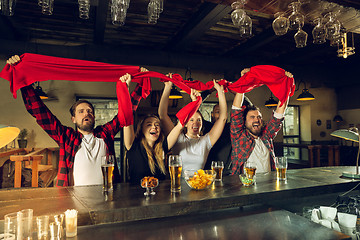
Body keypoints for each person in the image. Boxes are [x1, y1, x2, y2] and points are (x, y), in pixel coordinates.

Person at [6, 55, 147, 187]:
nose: (86, 113)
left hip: (108, 198)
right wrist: (21, 77)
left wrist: (140, 85)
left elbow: (127, 113)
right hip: (74, 202)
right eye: (81, 111)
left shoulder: (105, 133)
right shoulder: (66, 136)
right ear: (73, 118)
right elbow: (40, 113)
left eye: (90, 111)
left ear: (94, 117)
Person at [121, 73, 186, 184]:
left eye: (157, 125)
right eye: (149, 124)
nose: (154, 127)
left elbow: (180, 124)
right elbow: (127, 115)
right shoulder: (133, 145)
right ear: (141, 129)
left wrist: (168, 86)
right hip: (135, 199)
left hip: (159, 198)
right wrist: (125, 88)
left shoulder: (163, 146)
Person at [158, 74, 227, 171]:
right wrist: (167, 86)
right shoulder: (178, 137)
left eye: (199, 120)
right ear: (185, 123)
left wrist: (220, 92)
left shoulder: (206, 141)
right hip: (178, 185)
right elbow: (162, 115)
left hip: (200, 184)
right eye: (191, 120)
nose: (196, 123)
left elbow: (223, 118)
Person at [230, 68, 291, 175]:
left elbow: (280, 113)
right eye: (252, 117)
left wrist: (287, 85)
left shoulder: (266, 136)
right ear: (244, 122)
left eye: (259, 117)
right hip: (245, 186)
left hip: (268, 186)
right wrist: (244, 80)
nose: (256, 120)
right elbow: (236, 109)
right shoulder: (238, 136)